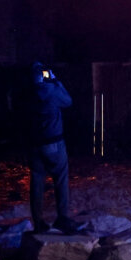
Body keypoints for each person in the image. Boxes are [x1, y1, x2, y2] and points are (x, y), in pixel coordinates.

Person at [24, 62, 80, 234]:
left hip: (34, 145)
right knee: (61, 179)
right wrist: (55, 80)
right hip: (54, 143)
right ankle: (62, 218)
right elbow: (68, 101)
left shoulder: (27, 94)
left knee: (37, 182)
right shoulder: (51, 91)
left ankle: (38, 222)